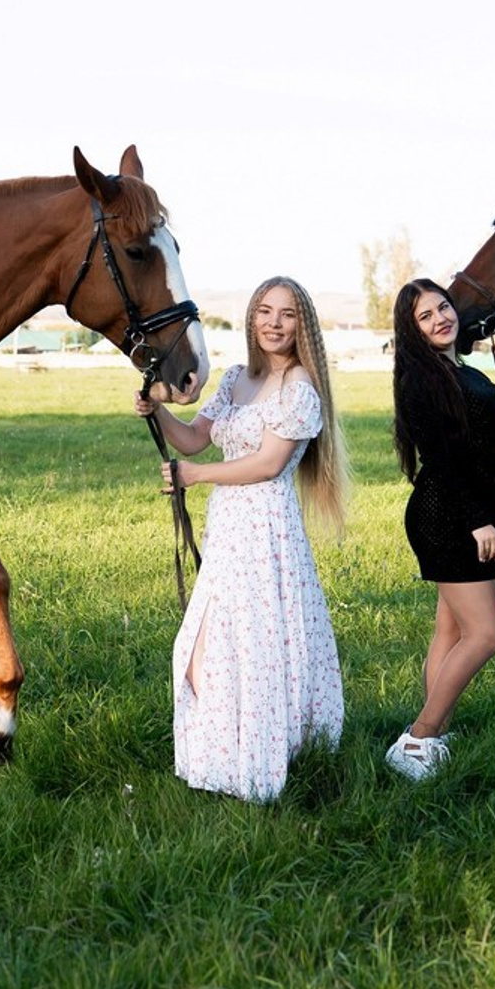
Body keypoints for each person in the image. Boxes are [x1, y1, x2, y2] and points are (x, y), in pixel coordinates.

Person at [134, 275, 349, 803]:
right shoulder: (235, 379)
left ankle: (257, 753)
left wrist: (195, 477)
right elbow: (194, 438)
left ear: (302, 325)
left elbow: (268, 465)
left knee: (249, 643)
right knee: (212, 644)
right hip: (229, 525)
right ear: (252, 318)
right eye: (265, 311)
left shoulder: (300, 388)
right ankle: (223, 752)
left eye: (287, 314)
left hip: (266, 529)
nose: (274, 323)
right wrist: (158, 410)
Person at [385, 278, 495, 780]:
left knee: (450, 631)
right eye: (425, 316)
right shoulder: (420, 380)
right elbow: (443, 461)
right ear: (412, 330)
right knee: (486, 633)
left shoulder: (464, 371)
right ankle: (418, 738)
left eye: (442, 307)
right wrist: (478, 523)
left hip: (474, 513)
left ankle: (435, 733)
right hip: (448, 517)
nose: (440, 319)